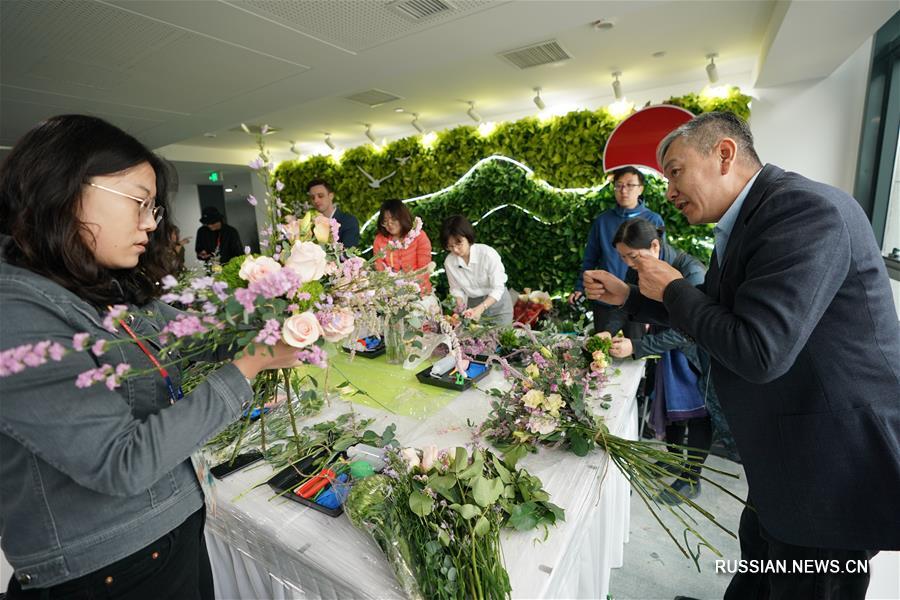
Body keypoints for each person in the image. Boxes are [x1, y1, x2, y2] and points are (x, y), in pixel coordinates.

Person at [584, 111, 900, 599]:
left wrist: (672, 289)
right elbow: (716, 312)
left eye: (675, 171)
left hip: (830, 461)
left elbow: (759, 350)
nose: (669, 191)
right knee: (759, 559)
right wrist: (630, 297)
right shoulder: (752, 218)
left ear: (724, 154)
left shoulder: (804, 211)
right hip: (785, 449)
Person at [0, 115, 302, 598]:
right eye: (138, 202)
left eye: (153, 208)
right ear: (65, 189)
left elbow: (195, 334)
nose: (149, 223)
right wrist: (250, 364)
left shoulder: (99, 285)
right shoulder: (16, 310)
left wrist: (281, 312)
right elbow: (122, 462)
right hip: (107, 573)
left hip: (169, 534)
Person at [604, 217, 714, 503]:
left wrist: (638, 346)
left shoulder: (692, 272)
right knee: (671, 410)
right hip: (665, 352)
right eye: (623, 257)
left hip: (693, 355)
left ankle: (691, 478)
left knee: (697, 416)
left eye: (632, 256)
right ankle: (675, 461)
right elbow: (626, 302)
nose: (628, 263)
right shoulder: (639, 266)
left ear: (655, 246)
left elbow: (689, 330)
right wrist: (607, 332)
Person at [569, 166, 664, 338]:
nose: (623, 190)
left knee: (637, 346)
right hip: (605, 297)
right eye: (619, 185)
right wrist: (580, 287)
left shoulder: (653, 220)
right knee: (600, 345)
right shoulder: (603, 221)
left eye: (630, 185)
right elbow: (590, 258)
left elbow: (660, 261)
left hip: (638, 297)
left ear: (641, 189)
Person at [440, 215, 513, 326]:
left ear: (468, 238)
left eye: (459, 244)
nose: (455, 250)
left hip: (498, 305)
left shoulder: (487, 254)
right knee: (475, 336)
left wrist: (481, 308)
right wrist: (460, 308)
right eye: (450, 246)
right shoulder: (449, 262)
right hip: (472, 305)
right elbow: (456, 289)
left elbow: (498, 288)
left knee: (503, 335)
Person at [373, 199, 434, 294]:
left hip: (419, 291)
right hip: (390, 293)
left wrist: (409, 285)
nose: (389, 224)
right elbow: (379, 269)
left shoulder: (419, 236)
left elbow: (424, 270)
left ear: (402, 217)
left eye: (393, 219)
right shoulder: (379, 240)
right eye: (385, 221)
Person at [307, 178, 360, 248]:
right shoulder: (311, 225)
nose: (316, 200)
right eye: (312, 197)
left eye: (320, 196)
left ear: (331, 196)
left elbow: (348, 251)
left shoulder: (348, 221)